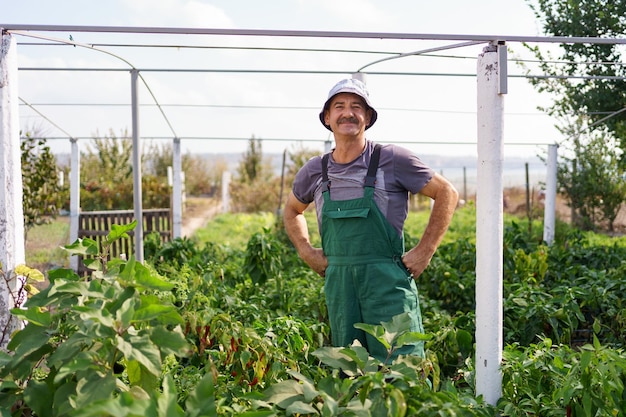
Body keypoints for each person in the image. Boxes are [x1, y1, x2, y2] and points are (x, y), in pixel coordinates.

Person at [283, 78, 459, 362]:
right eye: (339, 106)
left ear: (368, 117)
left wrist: (425, 251)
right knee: (349, 370)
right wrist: (306, 250)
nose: (348, 113)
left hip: (386, 284)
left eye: (357, 106)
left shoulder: (392, 159)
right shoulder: (315, 170)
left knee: (403, 368)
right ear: (327, 118)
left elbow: (446, 193)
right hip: (340, 287)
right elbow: (292, 211)